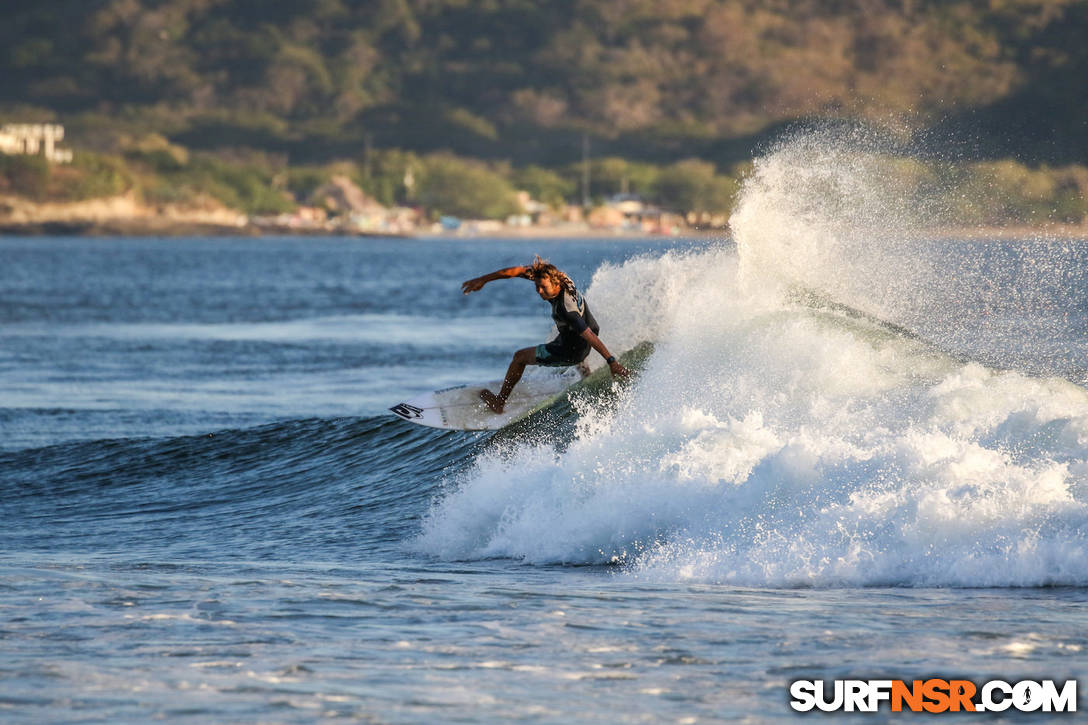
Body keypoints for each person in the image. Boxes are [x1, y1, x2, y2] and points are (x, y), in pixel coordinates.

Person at [462, 256, 630, 414]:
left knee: (519, 357)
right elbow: (514, 271)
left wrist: (611, 361)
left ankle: (499, 402)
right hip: (581, 335)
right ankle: (586, 374)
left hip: (572, 349)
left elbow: (588, 335)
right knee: (569, 335)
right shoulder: (562, 278)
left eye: (543, 288)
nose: (540, 291)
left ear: (555, 284)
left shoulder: (566, 310)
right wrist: (483, 279)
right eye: (537, 287)